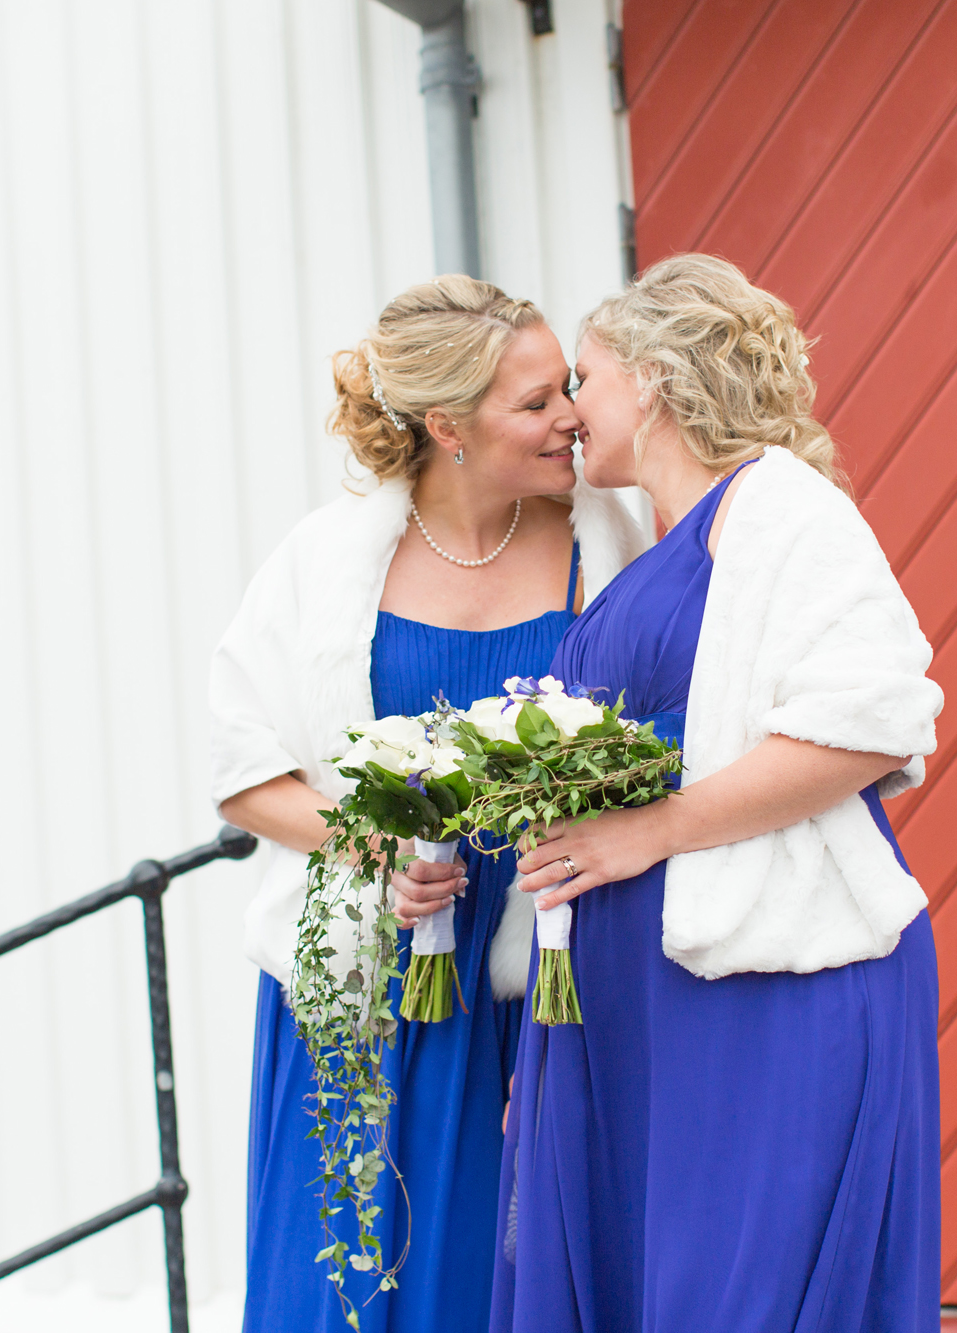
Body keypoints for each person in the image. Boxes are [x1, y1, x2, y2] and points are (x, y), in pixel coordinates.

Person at [490, 254, 946, 1332]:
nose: (567, 415)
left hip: (758, 990)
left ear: (650, 379)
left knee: (734, 1291)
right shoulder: (651, 545)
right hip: (639, 990)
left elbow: (871, 724)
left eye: (583, 380)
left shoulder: (784, 508)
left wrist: (644, 833)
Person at [209, 276, 646, 1333]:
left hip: (548, 974)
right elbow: (242, 769)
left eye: (567, 390)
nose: (569, 419)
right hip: (375, 983)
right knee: (355, 1290)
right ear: (446, 425)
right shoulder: (323, 559)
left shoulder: (611, 538)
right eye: (534, 402)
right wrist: (372, 849)